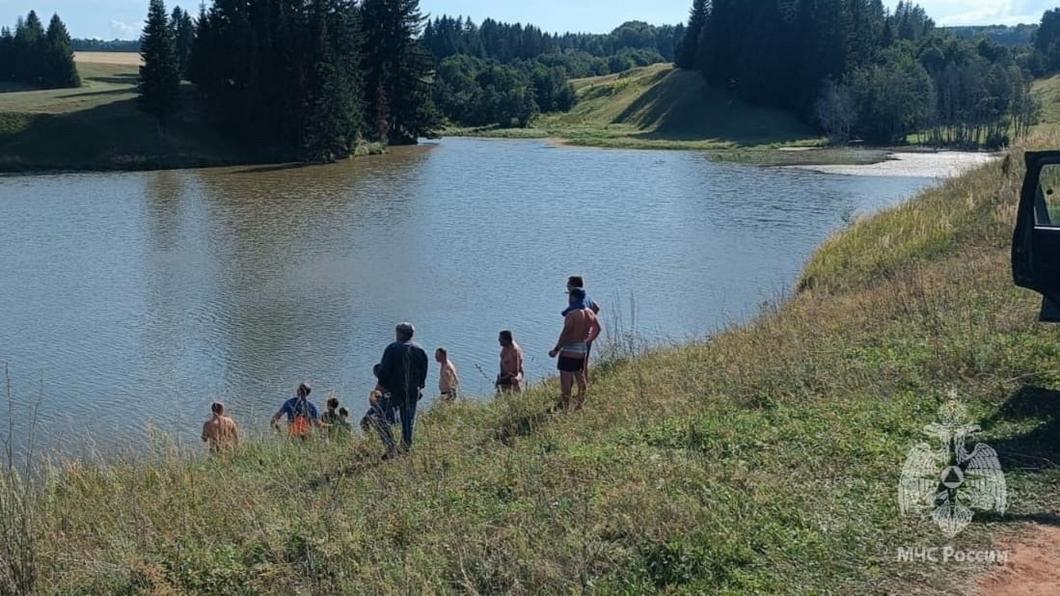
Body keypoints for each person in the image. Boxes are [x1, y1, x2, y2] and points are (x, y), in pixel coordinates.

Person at [374, 322, 429, 457]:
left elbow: (384, 373)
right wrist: (419, 386)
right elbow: (423, 375)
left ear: (398, 333)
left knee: (380, 418)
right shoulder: (420, 350)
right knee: (408, 422)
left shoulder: (392, 349)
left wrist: (377, 375)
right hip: (412, 392)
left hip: (394, 392)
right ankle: (405, 449)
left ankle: (391, 448)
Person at [550, 288, 601, 411]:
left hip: (569, 351)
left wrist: (556, 349)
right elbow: (597, 329)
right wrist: (587, 340)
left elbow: (566, 332)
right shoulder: (590, 313)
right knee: (581, 378)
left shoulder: (572, 314)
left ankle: (566, 409)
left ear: (573, 297)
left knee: (566, 382)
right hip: (582, 350)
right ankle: (580, 405)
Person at [566, 275, 601, 378]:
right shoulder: (587, 296)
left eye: (568, 285)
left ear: (573, 286)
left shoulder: (574, 298)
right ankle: (585, 384)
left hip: (577, 336)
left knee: (571, 364)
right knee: (584, 362)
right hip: (588, 334)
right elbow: (596, 308)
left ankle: (572, 386)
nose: (567, 287)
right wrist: (590, 321)